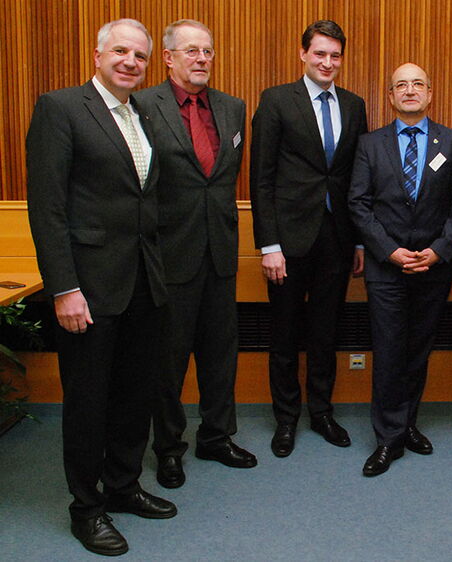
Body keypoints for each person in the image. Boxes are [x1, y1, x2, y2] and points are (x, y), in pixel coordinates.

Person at [26, 18, 176, 556]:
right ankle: (86, 509)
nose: (130, 62)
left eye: (140, 55)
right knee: (88, 402)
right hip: (87, 288)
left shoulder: (143, 115)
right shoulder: (61, 108)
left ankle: (123, 486)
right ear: (97, 55)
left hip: (142, 282)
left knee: (135, 395)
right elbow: (47, 207)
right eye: (120, 51)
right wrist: (63, 288)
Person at [135, 19, 256, 490]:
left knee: (220, 354)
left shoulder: (232, 107)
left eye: (207, 50)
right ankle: (168, 449)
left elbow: (222, 179)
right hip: (169, 254)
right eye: (191, 51)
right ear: (168, 58)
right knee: (168, 362)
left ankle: (217, 437)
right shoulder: (144, 105)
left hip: (220, 252)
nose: (202, 58)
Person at [250, 20, 367, 457]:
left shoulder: (354, 105)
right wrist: (269, 245)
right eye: (320, 53)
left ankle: (321, 412)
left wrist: (359, 241)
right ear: (303, 54)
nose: (327, 62)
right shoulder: (277, 100)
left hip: (336, 240)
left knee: (325, 333)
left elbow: (356, 178)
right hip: (287, 242)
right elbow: (261, 177)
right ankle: (286, 419)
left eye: (335, 55)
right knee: (284, 335)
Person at [349, 63, 452, 477]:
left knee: (418, 351)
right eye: (401, 85)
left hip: (433, 267)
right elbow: (358, 203)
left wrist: (439, 250)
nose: (410, 90)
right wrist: (389, 251)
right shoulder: (370, 144)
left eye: (418, 84)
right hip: (387, 268)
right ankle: (388, 438)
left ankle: (407, 423)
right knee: (388, 352)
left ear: (430, 93)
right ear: (391, 96)